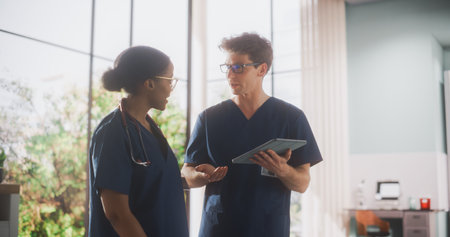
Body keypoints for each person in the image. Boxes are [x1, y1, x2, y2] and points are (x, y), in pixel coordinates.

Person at [181, 33, 323, 237]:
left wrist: (282, 169)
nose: (230, 75)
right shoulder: (209, 118)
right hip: (219, 227)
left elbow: (302, 184)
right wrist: (203, 176)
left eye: (238, 67)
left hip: (268, 226)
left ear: (262, 69)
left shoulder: (292, 118)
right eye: (227, 67)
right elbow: (187, 173)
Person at [89, 46, 188, 237]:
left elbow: (156, 184)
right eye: (169, 80)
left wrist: (194, 178)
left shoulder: (150, 128)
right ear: (149, 84)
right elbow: (117, 214)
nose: (171, 88)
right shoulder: (112, 132)